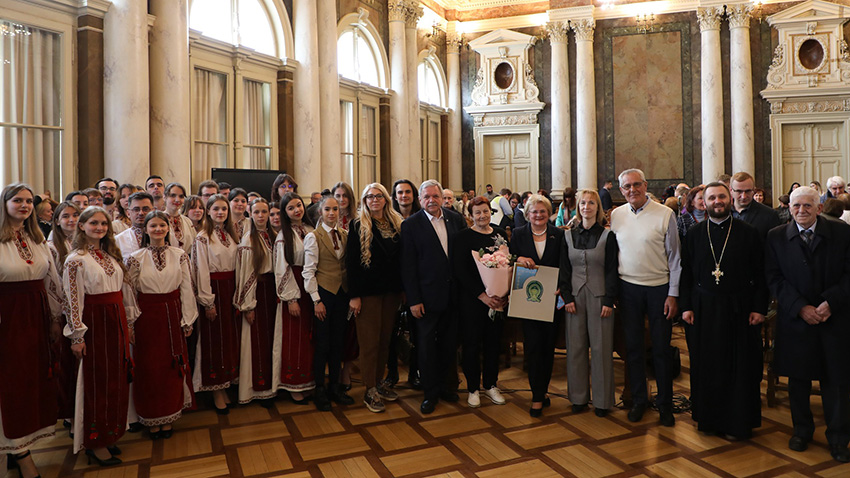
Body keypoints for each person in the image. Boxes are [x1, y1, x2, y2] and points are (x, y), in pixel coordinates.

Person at [765, 186, 850, 463]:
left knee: (835, 382)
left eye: (807, 206)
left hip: (833, 319)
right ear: (789, 208)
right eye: (796, 206)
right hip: (796, 319)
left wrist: (830, 303)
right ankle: (801, 431)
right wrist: (800, 307)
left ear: (819, 208)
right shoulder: (776, 237)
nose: (801, 211)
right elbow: (774, 278)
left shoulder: (842, 233)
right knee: (798, 380)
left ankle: (838, 438)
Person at [680, 182, 767, 440]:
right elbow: (686, 273)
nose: (717, 201)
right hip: (704, 308)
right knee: (707, 365)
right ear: (703, 202)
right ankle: (709, 420)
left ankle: (737, 423)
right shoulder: (694, 234)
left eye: (721, 196)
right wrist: (685, 306)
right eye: (711, 198)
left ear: (729, 198)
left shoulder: (749, 233)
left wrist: (759, 308)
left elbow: (761, 274)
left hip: (739, 309)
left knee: (740, 367)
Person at [64, 206, 135, 466]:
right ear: (81, 226)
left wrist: (128, 322)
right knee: (97, 381)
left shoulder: (109, 255)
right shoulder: (76, 259)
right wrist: (77, 335)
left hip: (114, 319)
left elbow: (122, 291)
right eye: (93, 223)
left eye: (104, 224)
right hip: (94, 322)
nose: (99, 228)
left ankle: (110, 432)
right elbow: (73, 300)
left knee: (115, 379)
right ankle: (95, 440)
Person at [0, 184, 63, 478]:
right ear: (5, 204)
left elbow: (50, 282)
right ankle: (20, 453)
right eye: (17, 200)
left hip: (35, 316)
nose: (24, 205)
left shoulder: (36, 238)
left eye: (28, 201)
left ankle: (18, 446)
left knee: (31, 383)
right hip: (8, 319)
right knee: (10, 384)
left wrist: (53, 318)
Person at [610, 168, 681, 427]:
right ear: (621, 190)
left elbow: (675, 258)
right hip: (628, 290)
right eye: (626, 187)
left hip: (659, 289)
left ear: (645, 185)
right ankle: (639, 400)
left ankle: (665, 404)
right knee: (633, 349)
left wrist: (673, 294)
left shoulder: (665, 214)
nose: (632, 190)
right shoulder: (616, 215)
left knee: (660, 350)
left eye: (636, 185)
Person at [125, 211, 196, 439]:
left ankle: (170, 414)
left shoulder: (179, 255)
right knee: (149, 368)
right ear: (145, 229)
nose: (158, 229)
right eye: (153, 226)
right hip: (147, 318)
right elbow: (130, 293)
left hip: (173, 314)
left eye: (162, 225)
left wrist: (188, 319)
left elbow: (186, 288)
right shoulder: (135, 258)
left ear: (168, 228)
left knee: (172, 365)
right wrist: (131, 323)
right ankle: (150, 416)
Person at [401, 180, 467, 414]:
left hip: (453, 296)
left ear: (442, 198)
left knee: (450, 345)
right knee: (426, 348)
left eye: (435, 196)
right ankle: (430, 393)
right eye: (426, 197)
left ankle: (448, 387)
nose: (431, 200)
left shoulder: (455, 219)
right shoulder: (410, 225)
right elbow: (408, 266)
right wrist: (414, 300)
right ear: (420, 200)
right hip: (425, 299)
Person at [560, 189, 618, 417]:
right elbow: (564, 270)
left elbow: (613, 270)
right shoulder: (567, 235)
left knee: (602, 349)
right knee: (575, 348)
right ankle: (578, 398)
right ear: (578, 207)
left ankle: (603, 401)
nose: (586, 206)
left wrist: (609, 300)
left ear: (597, 207)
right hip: (574, 297)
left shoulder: (608, 235)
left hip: (599, 297)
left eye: (591, 203)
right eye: (583, 203)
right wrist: (566, 297)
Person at [346, 184, 404, 413]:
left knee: (384, 341)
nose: (374, 200)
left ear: (385, 199)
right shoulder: (358, 225)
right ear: (364, 200)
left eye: (378, 196)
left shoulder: (396, 223)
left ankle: (379, 382)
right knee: (369, 342)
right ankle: (369, 388)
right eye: (370, 197)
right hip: (367, 293)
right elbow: (351, 264)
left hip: (390, 292)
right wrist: (354, 296)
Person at [452, 196, 508, 409]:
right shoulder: (462, 238)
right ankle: (473, 388)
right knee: (472, 344)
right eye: (477, 212)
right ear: (470, 215)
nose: (482, 216)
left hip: (497, 300)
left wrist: (501, 294)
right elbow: (460, 271)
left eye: (485, 211)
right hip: (473, 301)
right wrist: (483, 296)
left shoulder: (500, 235)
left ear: (490, 212)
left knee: (494, 343)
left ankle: (491, 384)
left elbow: (507, 264)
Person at [510, 194, 562, 417]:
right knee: (532, 349)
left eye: (542, 211)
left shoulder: (558, 235)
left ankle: (542, 390)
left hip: (551, 298)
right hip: (528, 301)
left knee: (547, 349)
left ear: (549, 213)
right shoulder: (519, 234)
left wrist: (563, 288)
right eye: (534, 212)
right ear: (527, 214)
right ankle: (537, 396)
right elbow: (511, 258)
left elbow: (564, 264)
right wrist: (519, 258)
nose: (538, 215)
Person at [303, 196, 353, 411]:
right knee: (323, 344)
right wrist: (316, 300)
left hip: (342, 295)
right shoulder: (314, 237)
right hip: (324, 295)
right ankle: (320, 389)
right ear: (320, 212)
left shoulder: (345, 235)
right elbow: (309, 271)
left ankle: (335, 386)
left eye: (335, 209)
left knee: (338, 343)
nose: (332, 213)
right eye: (327, 209)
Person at [191, 194, 240, 414]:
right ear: (208, 212)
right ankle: (215, 389)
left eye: (224, 209)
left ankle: (227, 383)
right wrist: (207, 302)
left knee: (229, 339)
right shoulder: (203, 238)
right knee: (214, 340)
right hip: (215, 290)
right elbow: (200, 270)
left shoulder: (230, 235)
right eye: (216, 209)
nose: (220, 213)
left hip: (231, 289)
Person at [235, 198, 279, 406]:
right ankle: (259, 389)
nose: (261, 216)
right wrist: (248, 305)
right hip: (258, 293)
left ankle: (273, 385)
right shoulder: (248, 240)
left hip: (272, 293)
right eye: (257, 212)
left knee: (272, 339)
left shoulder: (273, 236)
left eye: (265, 212)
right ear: (250, 215)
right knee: (258, 340)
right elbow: (246, 274)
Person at [274, 192, 316, 403]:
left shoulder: (310, 230)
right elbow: (282, 268)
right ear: (285, 212)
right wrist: (291, 298)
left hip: (312, 286)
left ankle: (309, 380)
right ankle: (293, 383)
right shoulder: (284, 236)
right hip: (295, 287)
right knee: (295, 336)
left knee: (310, 336)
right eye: (291, 208)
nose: (296, 210)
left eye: (298, 205)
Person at [48, 201, 82, 423]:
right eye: (66, 216)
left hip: (80, 307)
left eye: (75, 215)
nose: (71, 220)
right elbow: (53, 284)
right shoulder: (52, 247)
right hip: (63, 310)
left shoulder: (83, 243)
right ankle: (70, 416)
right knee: (67, 366)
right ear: (57, 221)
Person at [387, 178, 421, 389]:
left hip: (417, 285)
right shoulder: (388, 219)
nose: (404, 196)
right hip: (393, 284)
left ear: (414, 195)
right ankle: (391, 374)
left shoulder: (420, 219)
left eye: (407, 192)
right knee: (392, 333)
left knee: (416, 333)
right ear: (395, 196)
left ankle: (415, 373)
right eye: (400, 192)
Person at [730, 172, 781, 241]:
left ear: (753, 190)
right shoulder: (723, 213)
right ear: (731, 191)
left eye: (748, 191)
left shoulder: (770, 215)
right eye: (739, 191)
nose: (743, 196)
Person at [115, 192, 155, 260]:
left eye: (145, 209)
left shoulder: (162, 236)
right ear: (128, 213)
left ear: (153, 211)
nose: (141, 213)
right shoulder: (118, 240)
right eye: (136, 209)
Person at [164, 183, 195, 254]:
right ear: (165, 197)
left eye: (181, 196)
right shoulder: (158, 220)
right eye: (173, 196)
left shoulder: (187, 221)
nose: (177, 200)